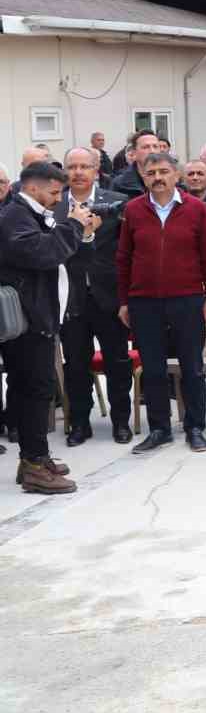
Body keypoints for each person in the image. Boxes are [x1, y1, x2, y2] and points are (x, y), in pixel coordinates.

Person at [116, 152, 206, 454]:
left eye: (164, 171)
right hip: (143, 302)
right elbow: (123, 258)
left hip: (187, 300)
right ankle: (159, 428)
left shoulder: (197, 209)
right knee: (153, 369)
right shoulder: (133, 211)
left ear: (176, 175)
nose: (158, 178)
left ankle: (195, 427)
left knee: (192, 366)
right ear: (143, 176)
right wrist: (124, 301)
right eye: (151, 173)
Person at [0, 162, 91, 492]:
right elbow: (43, 253)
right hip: (29, 322)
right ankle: (35, 465)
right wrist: (74, 227)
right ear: (33, 188)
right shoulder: (15, 217)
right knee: (36, 391)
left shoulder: (28, 213)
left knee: (34, 390)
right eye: (54, 192)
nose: (58, 198)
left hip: (37, 317)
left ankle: (34, 458)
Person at [56, 148, 132, 446]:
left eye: (84, 166)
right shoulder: (55, 206)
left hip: (109, 297)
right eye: (72, 167)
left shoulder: (117, 203)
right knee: (76, 364)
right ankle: (79, 423)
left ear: (96, 170)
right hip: (71, 299)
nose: (77, 172)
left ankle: (121, 422)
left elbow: (127, 253)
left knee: (117, 362)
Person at [110, 130, 160, 197]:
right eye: (146, 147)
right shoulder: (120, 184)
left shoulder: (170, 180)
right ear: (134, 153)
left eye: (155, 146)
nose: (152, 151)